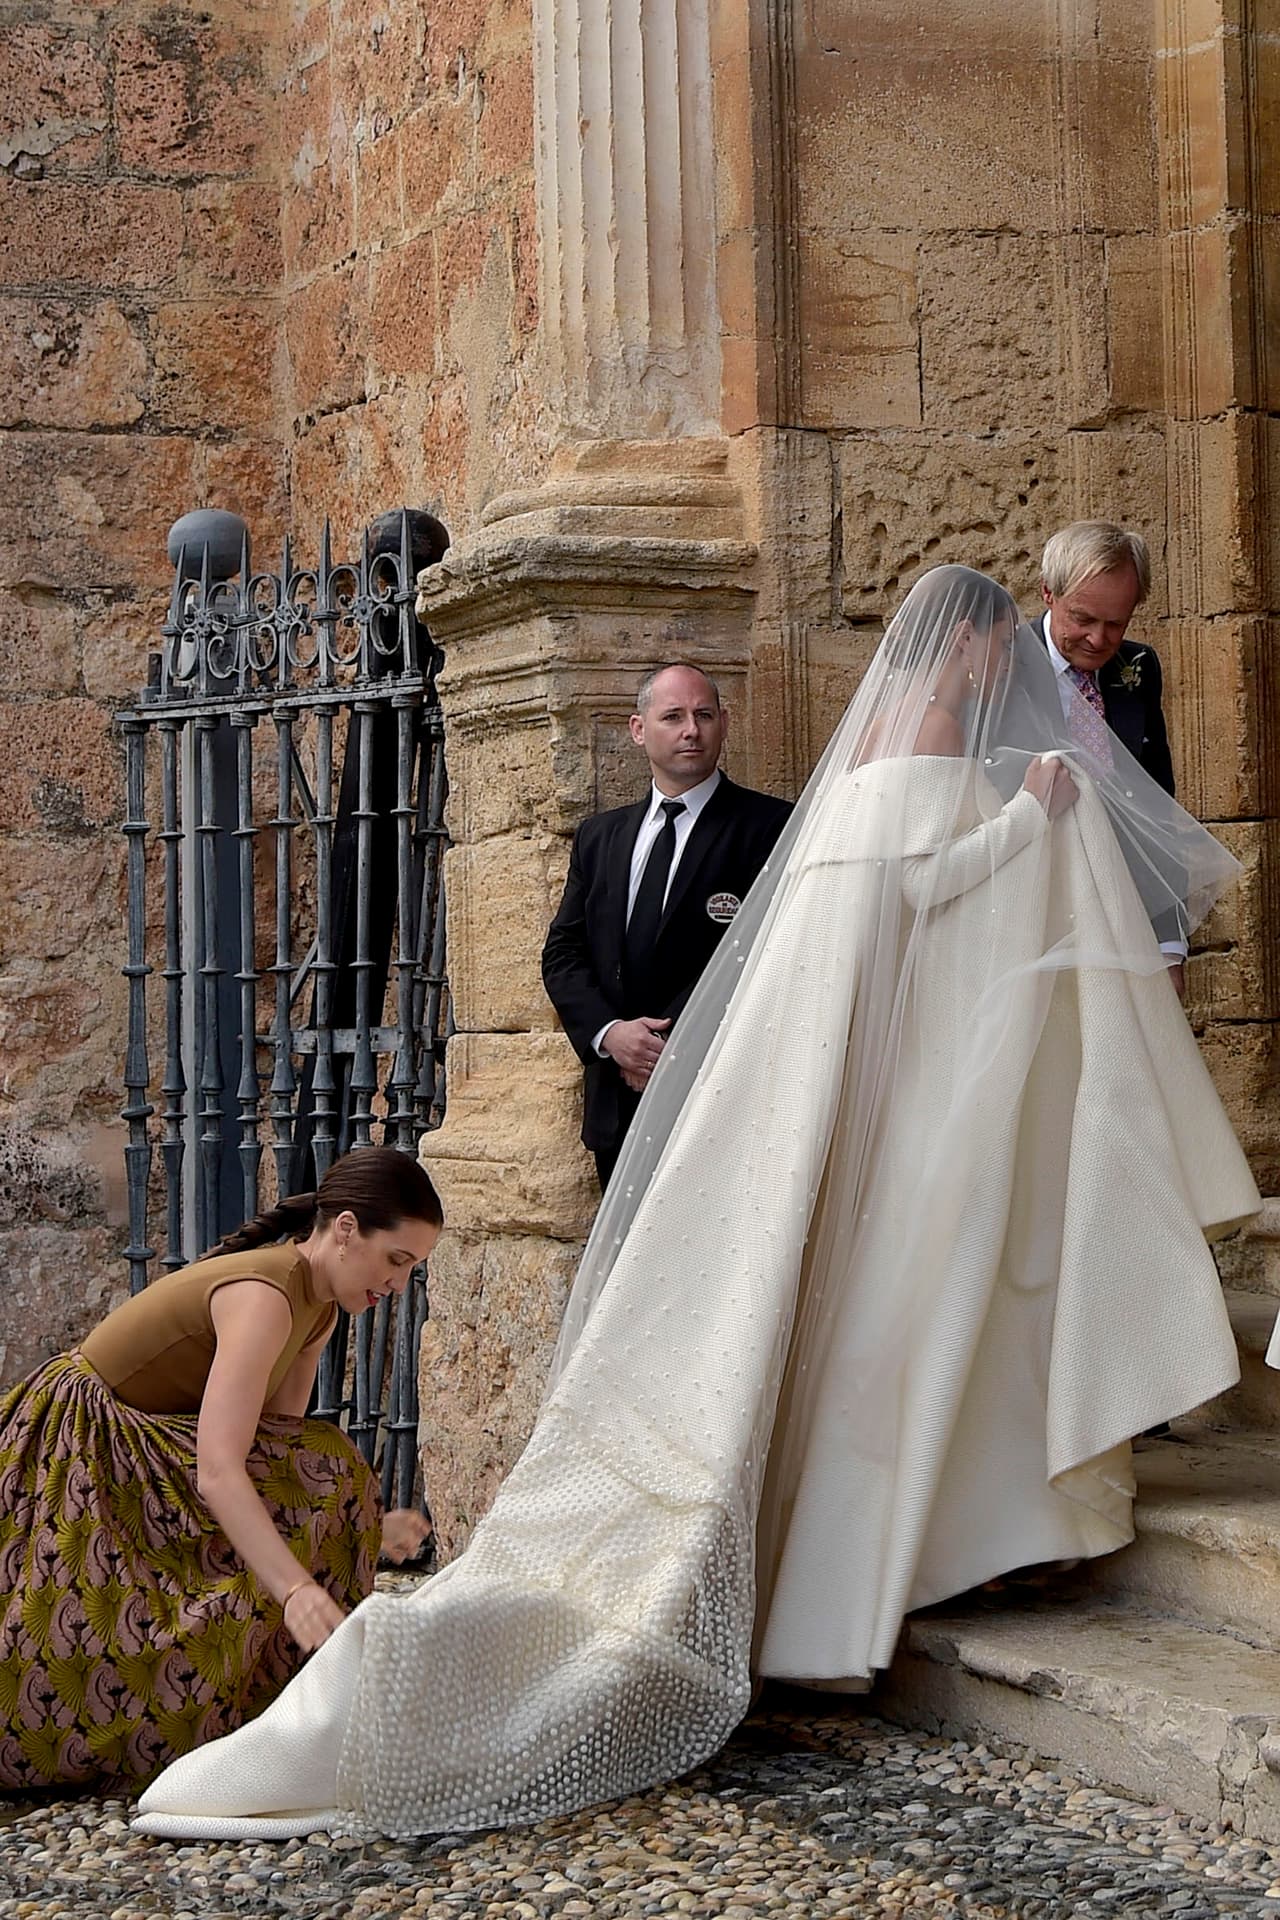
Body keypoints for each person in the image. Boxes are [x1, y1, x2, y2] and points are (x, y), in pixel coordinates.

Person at [134, 566, 1258, 1843]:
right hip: (908, 1089)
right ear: (966, 651)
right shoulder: (935, 740)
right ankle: (859, 1583)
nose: (1003, 671)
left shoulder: (871, 753)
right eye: (999, 647)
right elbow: (915, 898)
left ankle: (864, 1580)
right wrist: (1032, 818)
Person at [0, 1144, 442, 1790]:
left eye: (411, 1270)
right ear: (345, 1230)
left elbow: (280, 1456)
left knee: (328, 1468)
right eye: (396, 1260)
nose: (398, 1284)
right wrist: (294, 1590)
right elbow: (219, 1470)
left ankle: (284, 1710)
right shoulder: (264, 1294)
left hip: (147, 1446)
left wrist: (365, 1525)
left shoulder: (316, 1306)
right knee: (329, 1474)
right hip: (80, 1446)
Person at [542, 663, 792, 1188]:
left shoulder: (772, 827)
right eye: (673, 716)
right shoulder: (599, 837)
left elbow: (770, 954)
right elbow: (564, 954)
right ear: (639, 729)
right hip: (617, 1102)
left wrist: (662, 1050)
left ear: (724, 723)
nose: (691, 730)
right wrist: (613, 1037)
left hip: (717, 1098)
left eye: (704, 715)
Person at [1030, 521, 1186, 994]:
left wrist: (1168, 945)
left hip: (1122, 920)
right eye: (1083, 619)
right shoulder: (1003, 663)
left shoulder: (1139, 667)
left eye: (1115, 623)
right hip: (1031, 919)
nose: (1099, 640)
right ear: (1048, 593)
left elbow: (1156, 808)